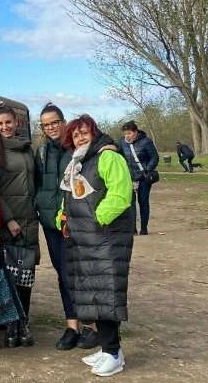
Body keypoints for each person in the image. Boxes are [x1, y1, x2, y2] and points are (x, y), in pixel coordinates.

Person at [58, 115, 134, 377]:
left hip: (104, 238)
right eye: (75, 135)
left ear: (94, 132)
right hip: (83, 239)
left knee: (106, 294)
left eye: (84, 132)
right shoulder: (78, 162)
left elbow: (120, 194)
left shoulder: (108, 157)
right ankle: (108, 348)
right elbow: (70, 196)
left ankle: (113, 353)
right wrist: (62, 217)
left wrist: (98, 219)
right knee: (94, 295)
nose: (80, 138)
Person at [34, 103, 98, 350]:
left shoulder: (78, 147)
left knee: (82, 274)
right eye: (46, 125)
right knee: (63, 274)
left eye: (54, 122)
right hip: (51, 222)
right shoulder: (42, 152)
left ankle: (91, 326)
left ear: (63, 122)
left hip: (75, 221)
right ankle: (72, 326)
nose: (51, 127)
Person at [0, 102, 38, 348]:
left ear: (16, 122)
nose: (5, 127)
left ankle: (23, 322)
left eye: (8, 122)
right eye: (0, 123)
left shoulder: (26, 149)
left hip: (29, 219)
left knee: (26, 275)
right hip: (8, 222)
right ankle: (10, 324)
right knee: (8, 275)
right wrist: (7, 219)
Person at [117, 121, 159, 235]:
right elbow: (117, 154)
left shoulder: (146, 142)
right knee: (130, 203)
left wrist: (147, 169)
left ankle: (144, 228)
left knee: (143, 202)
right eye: (125, 133)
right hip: (129, 178)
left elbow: (155, 157)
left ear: (136, 132)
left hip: (144, 178)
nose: (127, 136)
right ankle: (133, 228)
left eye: (129, 133)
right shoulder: (121, 142)